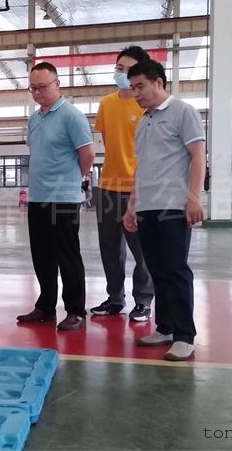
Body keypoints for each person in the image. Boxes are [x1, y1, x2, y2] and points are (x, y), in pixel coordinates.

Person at [122, 59, 206, 361]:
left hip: (173, 204)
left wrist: (193, 197)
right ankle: (166, 327)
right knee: (156, 269)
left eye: (140, 86)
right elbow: (142, 166)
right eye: (132, 88)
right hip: (147, 205)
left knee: (175, 269)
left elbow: (198, 155)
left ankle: (185, 335)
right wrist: (132, 204)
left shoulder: (183, 112)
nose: (135, 93)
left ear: (159, 82)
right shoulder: (143, 120)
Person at [15, 62, 95, 331]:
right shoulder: (34, 118)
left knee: (67, 256)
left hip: (64, 198)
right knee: (42, 255)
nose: (38, 92)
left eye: (42, 87)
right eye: (33, 88)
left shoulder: (72, 116)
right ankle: (46, 306)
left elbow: (88, 154)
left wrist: (72, 179)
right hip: (37, 196)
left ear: (57, 84)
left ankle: (75, 310)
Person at [88, 45, 155, 322]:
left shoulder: (146, 106)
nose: (122, 73)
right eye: (119, 68)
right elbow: (109, 142)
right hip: (107, 185)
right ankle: (115, 298)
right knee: (110, 248)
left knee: (142, 250)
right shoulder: (106, 103)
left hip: (138, 187)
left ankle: (143, 301)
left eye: (128, 70)